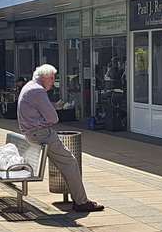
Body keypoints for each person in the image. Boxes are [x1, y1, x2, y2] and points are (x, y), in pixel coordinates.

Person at [18, 64, 103, 212]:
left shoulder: (30, 86)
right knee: (70, 162)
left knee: (66, 163)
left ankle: (78, 198)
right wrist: (49, 117)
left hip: (32, 134)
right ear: (46, 77)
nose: (53, 81)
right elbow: (53, 118)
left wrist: (51, 107)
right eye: (52, 78)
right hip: (41, 134)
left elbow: (39, 110)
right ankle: (81, 202)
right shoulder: (38, 91)